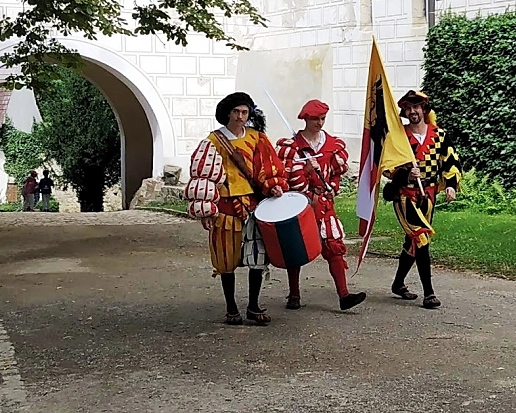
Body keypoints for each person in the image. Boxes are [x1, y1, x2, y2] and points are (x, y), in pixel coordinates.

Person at [185, 92, 289, 325]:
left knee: (257, 256)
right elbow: (204, 177)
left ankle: (253, 305)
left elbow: (269, 167)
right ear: (227, 113)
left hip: (254, 205)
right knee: (226, 259)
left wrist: (273, 186)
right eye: (236, 112)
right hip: (224, 206)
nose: (241, 117)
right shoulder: (213, 142)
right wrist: (205, 211)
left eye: (244, 112)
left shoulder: (257, 139)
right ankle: (231, 308)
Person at [275, 99, 367, 311]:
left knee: (334, 247)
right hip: (300, 205)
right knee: (295, 247)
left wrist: (331, 187)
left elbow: (336, 173)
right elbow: (285, 178)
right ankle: (294, 294)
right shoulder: (292, 148)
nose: (320, 122)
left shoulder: (332, 146)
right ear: (305, 119)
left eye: (323, 118)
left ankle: (344, 295)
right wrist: (306, 170)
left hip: (325, 204)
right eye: (315, 119)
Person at [382, 90, 461, 309]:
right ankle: (429, 293)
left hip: (428, 195)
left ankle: (398, 284)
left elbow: (451, 161)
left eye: (415, 107)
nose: (412, 112)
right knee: (421, 237)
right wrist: (406, 174)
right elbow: (387, 168)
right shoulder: (399, 137)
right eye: (408, 108)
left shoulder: (439, 135)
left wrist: (451, 185)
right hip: (404, 195)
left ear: (424, 109)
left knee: (412, 242)